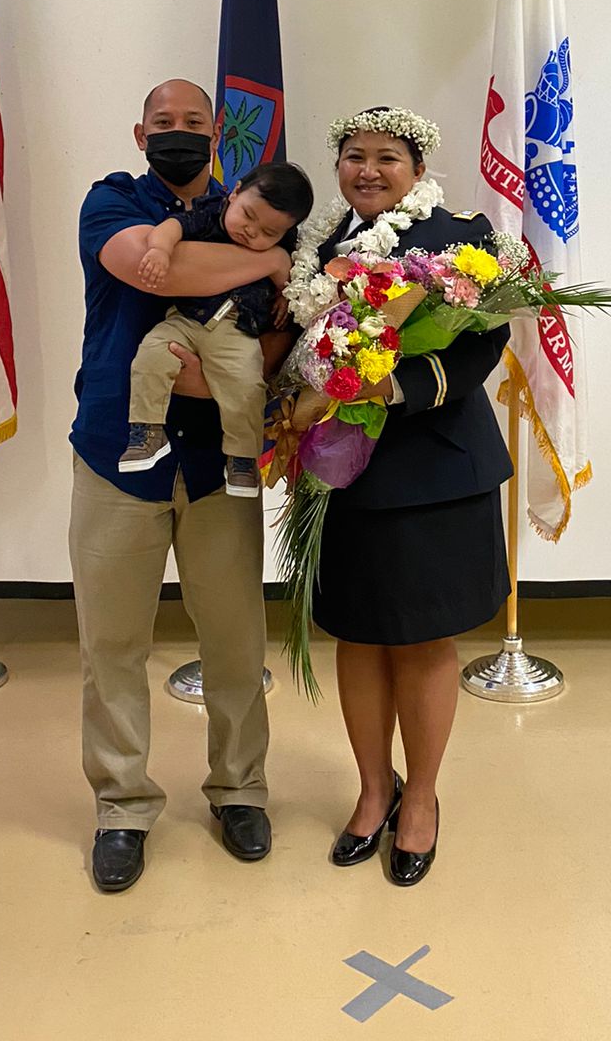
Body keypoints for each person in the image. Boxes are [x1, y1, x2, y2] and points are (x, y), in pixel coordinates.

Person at [68, 78, 288, 893]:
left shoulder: (249, 209)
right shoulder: (112, 201)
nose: (179, 133)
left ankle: (240, 790)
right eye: (164, 123)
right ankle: (122, 807)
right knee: (113, 644)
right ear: (139, 133)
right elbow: (157, 273)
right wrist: (263, 258)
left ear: (218, 137)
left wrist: (226, 376)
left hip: (218, 464)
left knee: (235, 644)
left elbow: (277, 335)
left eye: (194, 123)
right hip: (114, 456)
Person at [286, 105, 513, 886]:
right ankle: (372, 789)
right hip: (341, 475)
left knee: (420, 638)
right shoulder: (320, 248)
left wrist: (392, 389)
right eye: (355, 156)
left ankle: (421, 799)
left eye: (388, 156)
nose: (369, 170)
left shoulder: (458, 234)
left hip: (433, 469)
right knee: (357, 632)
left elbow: (485, 338)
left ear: (418, 168)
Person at [117, 161, 313, 497]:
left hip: (236, 330)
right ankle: (146, 431)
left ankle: (241, 457)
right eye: (248, 215)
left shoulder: (286, 250)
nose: (252, 232)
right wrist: (160, 251)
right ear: (234, 193)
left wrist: (284, 293)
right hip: (186, 319)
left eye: (269, 233)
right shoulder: (209, 215)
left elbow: (293, 284)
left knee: (246, 384)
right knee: (150, 355)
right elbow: (171, 227)